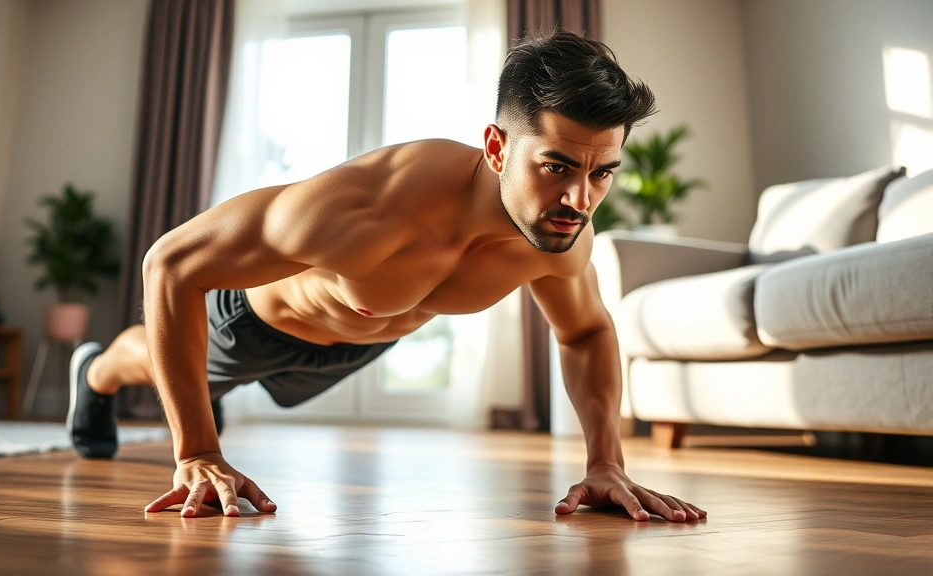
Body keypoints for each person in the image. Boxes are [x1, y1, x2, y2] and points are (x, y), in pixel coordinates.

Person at [67, 29, 706, 523]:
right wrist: (197, 451)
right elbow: (172, 263)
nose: (580, 199)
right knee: (141, 361)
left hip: (361, 342)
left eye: (602, 173)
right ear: (496, 147)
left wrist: (606, 462)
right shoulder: (369, 208)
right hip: (256, 324)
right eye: (557, 166)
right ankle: (92, 370)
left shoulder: (561, 237)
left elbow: (587, 332)